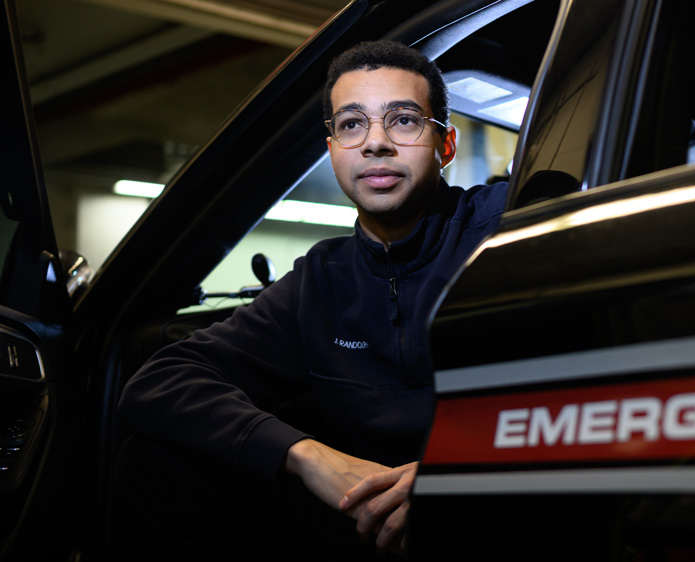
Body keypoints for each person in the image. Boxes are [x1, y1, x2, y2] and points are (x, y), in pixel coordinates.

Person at [110, 40, 508, 560]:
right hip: (366, 518)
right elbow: (161, 381)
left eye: (404, 120)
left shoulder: (508, 226)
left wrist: (459, 470)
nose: (376, 143)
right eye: (352, 124)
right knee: (153, 462)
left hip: (497, 504)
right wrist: (306, 456)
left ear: (446, 145)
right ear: (333, 149)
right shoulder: (322, 278)